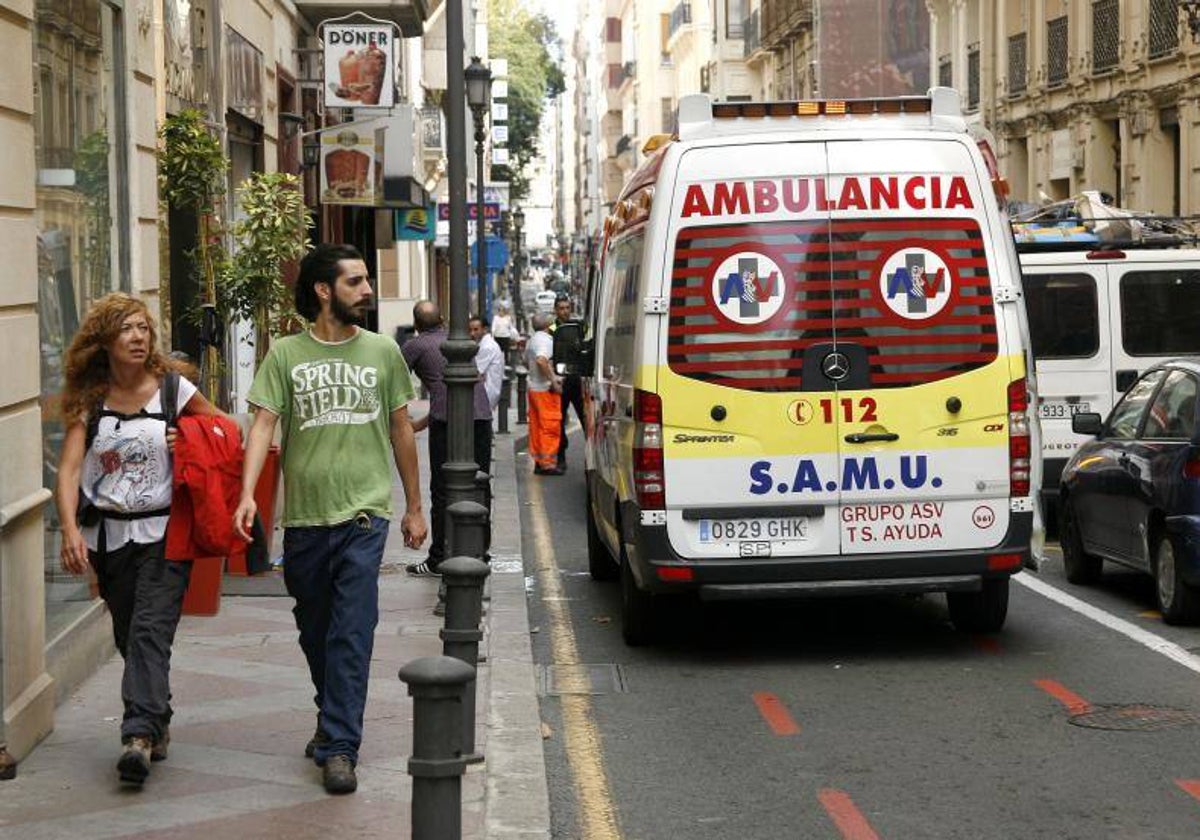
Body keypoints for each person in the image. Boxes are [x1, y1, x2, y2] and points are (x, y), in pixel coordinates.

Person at [232, 244, 427, 795]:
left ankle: (341, 745)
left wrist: (414, 506)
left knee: (353, 632)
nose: (368, 291)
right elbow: (263, 427)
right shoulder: (286, 356)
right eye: (356, 282)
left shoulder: (384, 351)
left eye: (367, 280)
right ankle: (330, 714)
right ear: (324, 290)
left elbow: (402, 429)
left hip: (365, 514)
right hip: (306, 521)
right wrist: (249, 494)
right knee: (316, 630)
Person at [55, 292, 219, 787]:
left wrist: (187, 439)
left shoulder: (175, 390)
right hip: (108, 537)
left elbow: (222, 430)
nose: (138, 336)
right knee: (130, 634)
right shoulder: (92, 399)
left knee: (149, 630)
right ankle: (158, 715)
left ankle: (138, 736)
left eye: (143, 328)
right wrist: (67, 529)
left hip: (165, 533)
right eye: (126, 328)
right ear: (103, 340)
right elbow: (68, 470)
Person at [401, 301, 493, 577]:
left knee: (442, 488)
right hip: (481, 416)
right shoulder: (458, 340)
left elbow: (393, 380)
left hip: (448, 423)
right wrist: (419, 424)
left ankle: (439, 558)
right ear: (442, 319)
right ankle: (480, 554)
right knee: (479, 485)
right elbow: (450, 390)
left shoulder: (416, 345)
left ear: (416, 325)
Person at [526, 311, 562, 475]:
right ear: (549, 325)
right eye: (553, 323)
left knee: (537, 426)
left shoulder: (532, 340)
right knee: (549, 426)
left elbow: (526, 360)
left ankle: (539, 460)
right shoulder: (545, 341)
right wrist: (553, 381)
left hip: (534, 387)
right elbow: (542, 360)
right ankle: (548, 463)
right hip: (545, 390)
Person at [552, 294, 585, 472]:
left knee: (586, 419)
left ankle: (592, 457)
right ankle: (561, 458)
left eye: (567, 308)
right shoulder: (552, 329)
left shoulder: (578, 327)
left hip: (577, 379)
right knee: (559, 421)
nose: (564, 311)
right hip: (561, 381)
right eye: (561, 308)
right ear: (555, 310)